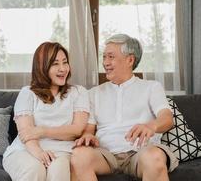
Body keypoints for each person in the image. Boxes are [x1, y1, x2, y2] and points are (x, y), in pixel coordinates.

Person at [71, 34, 179, 181]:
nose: (105, 62)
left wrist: (150, 126)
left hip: (141, 153)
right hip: (105, 155)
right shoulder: (93, 93)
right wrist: (88, 137)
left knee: (154, 158)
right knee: (79, 156)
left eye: (111, 57)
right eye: (104, 57)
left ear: (130, 60)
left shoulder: (152, 87)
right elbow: (89, 130)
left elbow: (167, 119)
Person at [3, 42, 89, 181]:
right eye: (55, 64)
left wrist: (42, 131)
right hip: (26, 150)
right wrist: (39, 153)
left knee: (59, 168)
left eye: (65, 62)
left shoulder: (78, 92)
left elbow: (77, 130)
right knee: (34, 170)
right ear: (42, 67)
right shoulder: (27, 93)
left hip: (62, 151)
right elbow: (26, 134)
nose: (63, 69)